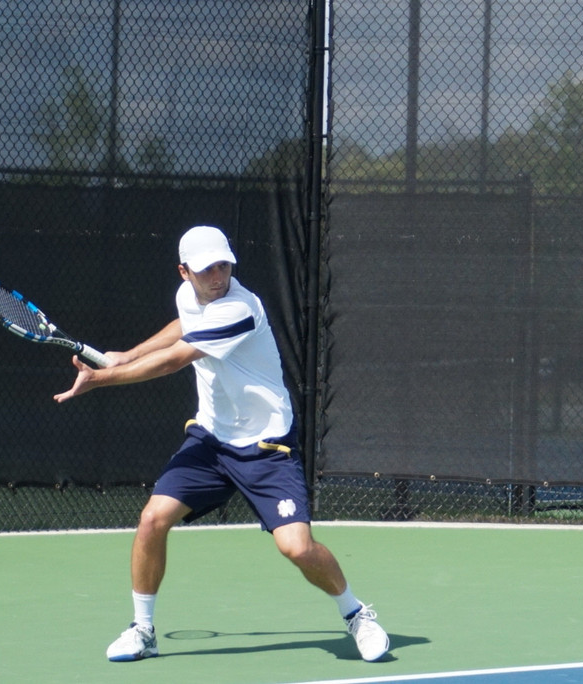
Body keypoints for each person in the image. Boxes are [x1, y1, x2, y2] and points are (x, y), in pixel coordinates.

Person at [53, 225, 389, 663]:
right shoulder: (189, 297)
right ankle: (143, 630)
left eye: (224, 264)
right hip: (211, 440)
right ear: (184, 273)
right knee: (153, 519)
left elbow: (176, 359)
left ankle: (356, 614)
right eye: (206, 268)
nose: (217, 275)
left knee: (297, 547)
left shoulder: (240, 309)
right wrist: (128, 355)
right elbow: (183, 326)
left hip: (266, 446)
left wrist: (102, 377)